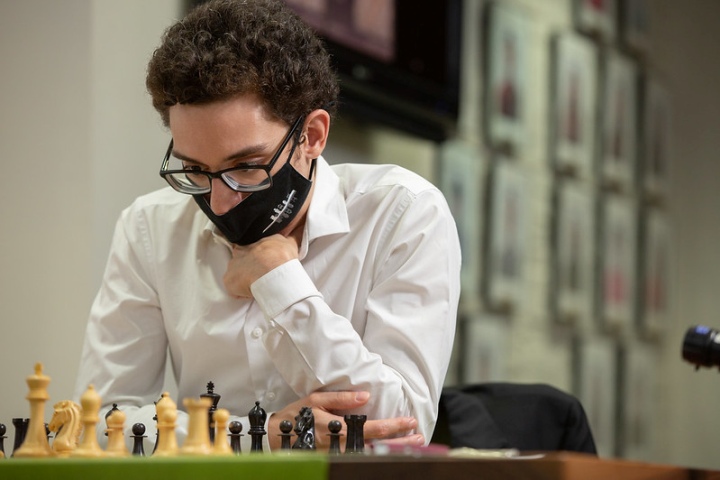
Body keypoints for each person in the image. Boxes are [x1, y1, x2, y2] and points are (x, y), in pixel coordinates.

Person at [74, 0, 461, 452]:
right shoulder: (148, 228)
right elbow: (98, 423)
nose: (219, 200)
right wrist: (254, 436)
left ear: (312, 136)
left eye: (247, 165)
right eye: (195, 170)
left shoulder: (403, 214)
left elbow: (402, 424)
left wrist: (281, 283)